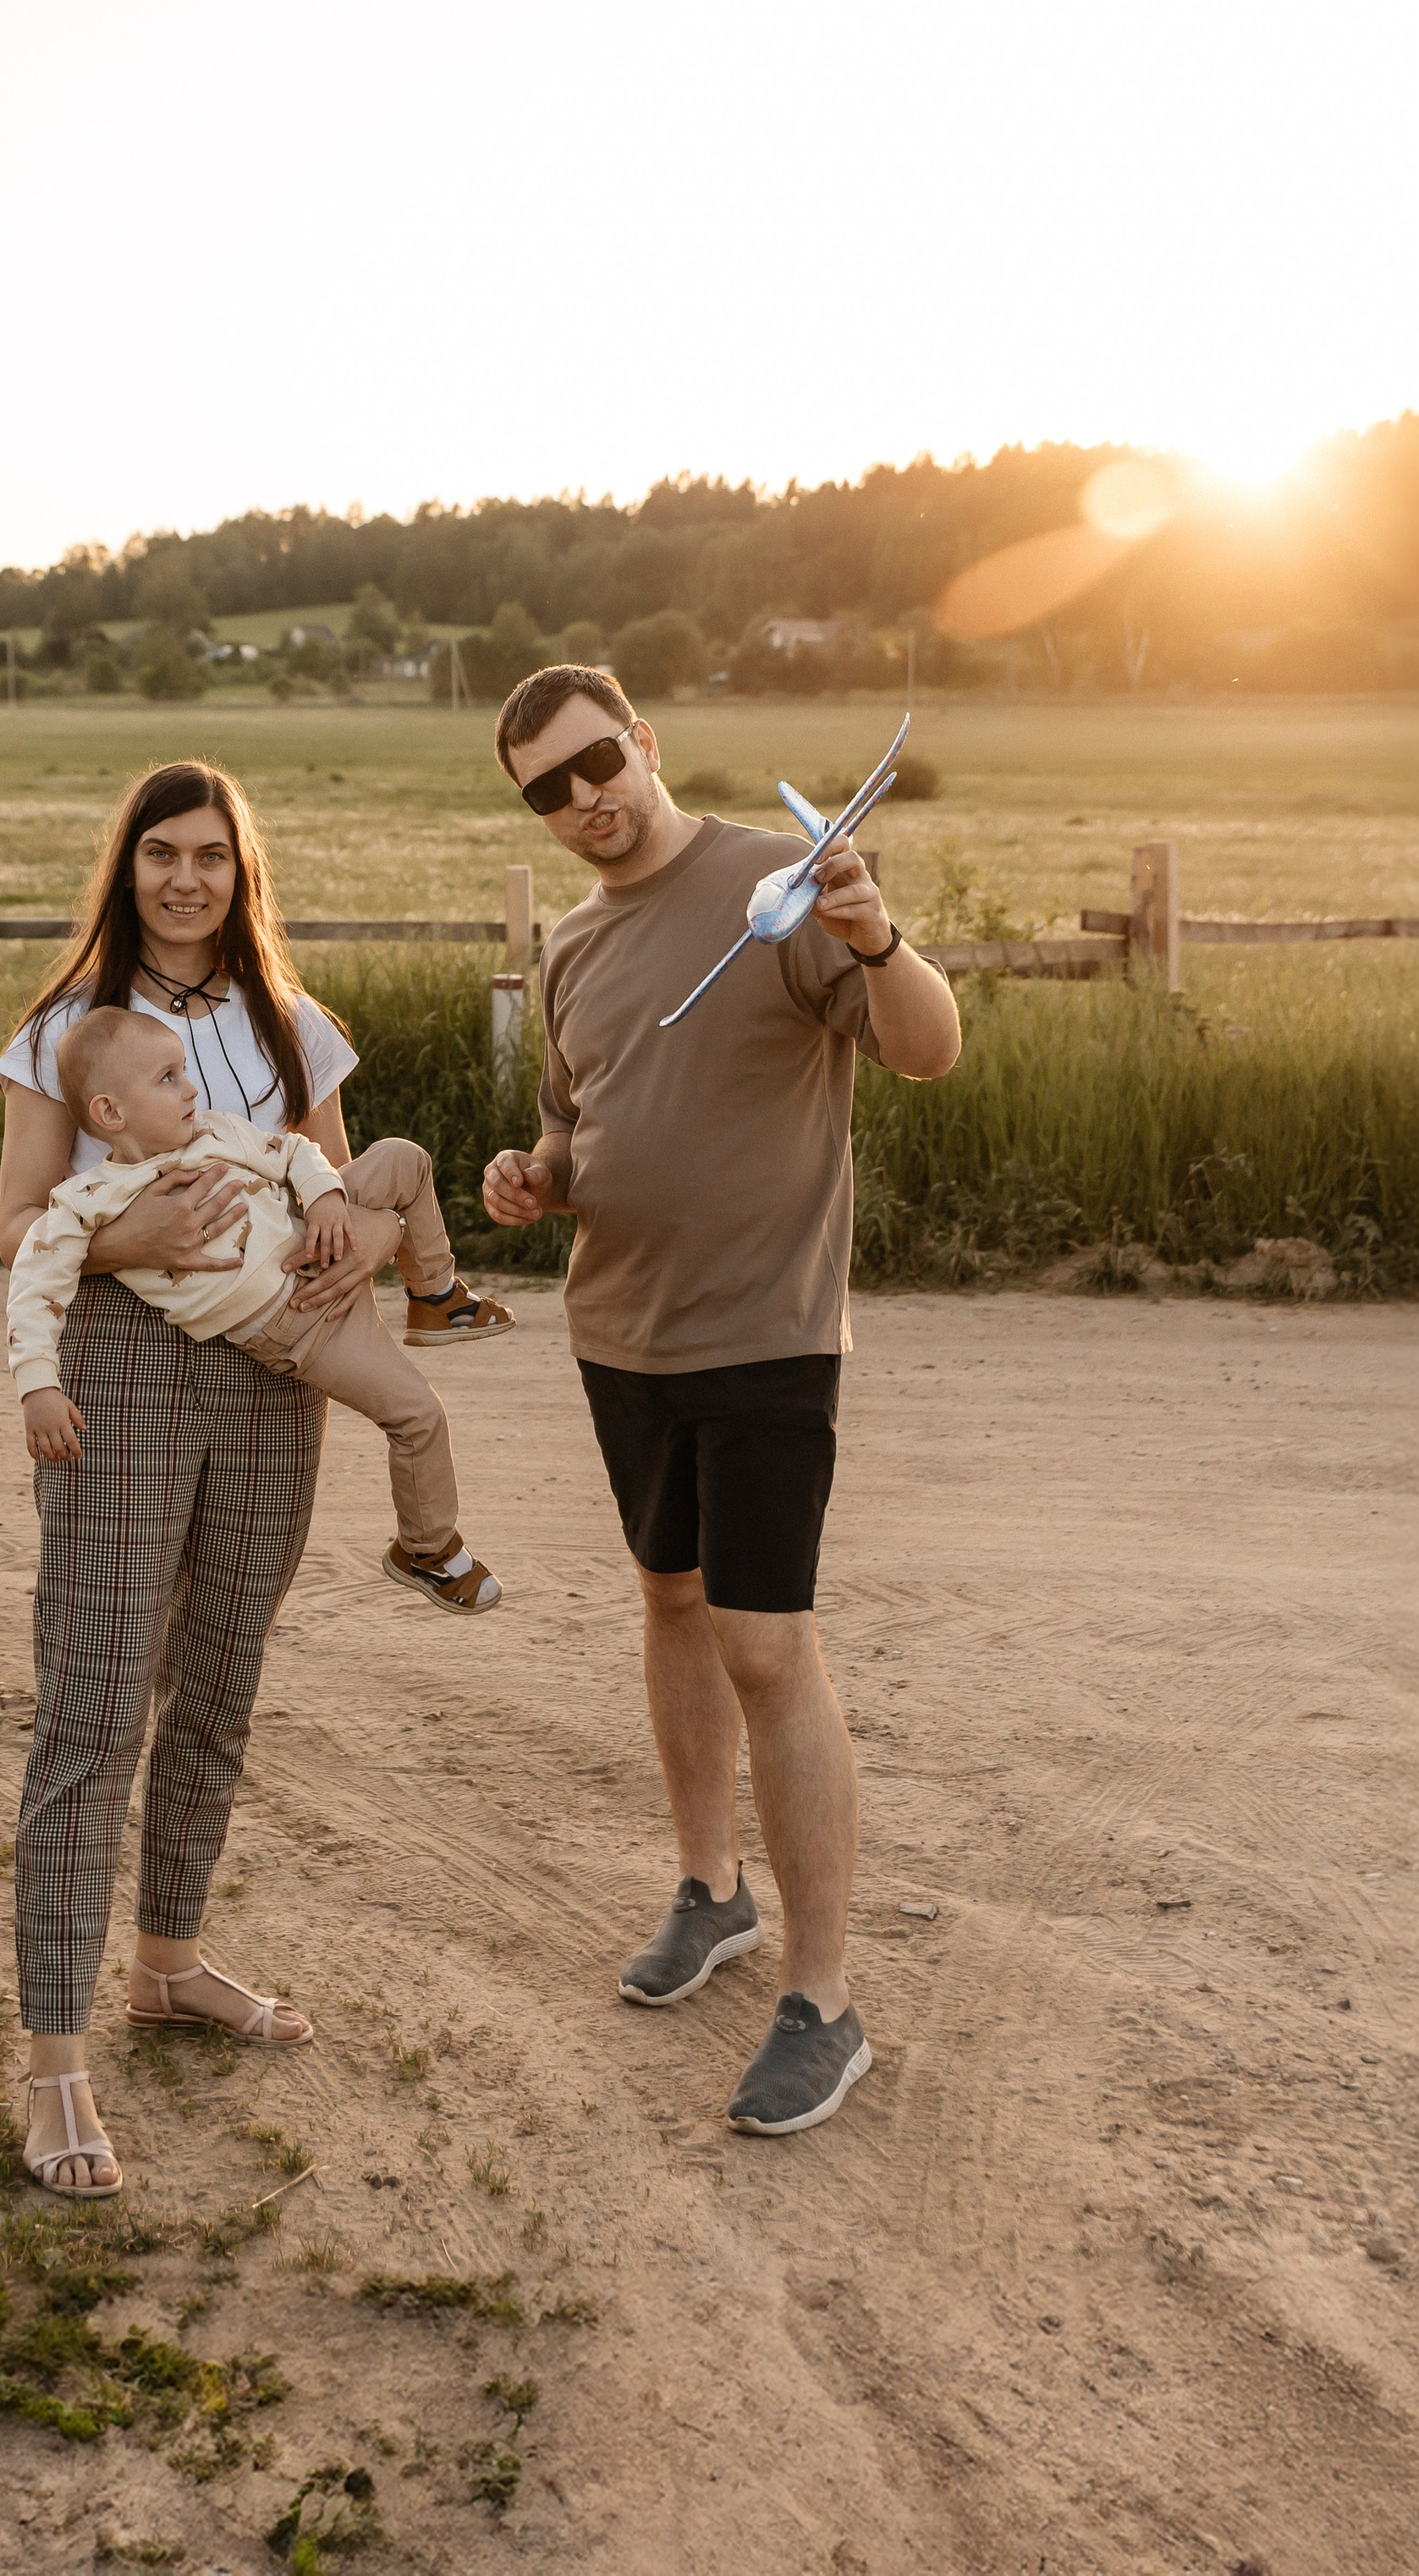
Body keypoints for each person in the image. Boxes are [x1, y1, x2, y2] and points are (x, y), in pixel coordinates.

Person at [0, 759, 508, 2196]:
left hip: (282, 1380)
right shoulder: (66, 1032)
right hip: (122, 1386)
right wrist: (130, 1236)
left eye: (211, 856)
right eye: (160, 854)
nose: (185, 880)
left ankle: (166, 1966)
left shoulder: (296, 1028)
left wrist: (346, 1226)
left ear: (240, 871)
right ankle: (54, 2064)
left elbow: (327, 1193)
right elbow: (21, 1225)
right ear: (128, 866)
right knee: (94, 1702)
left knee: (220, 1683)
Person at [480, 667, 962, 2137]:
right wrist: (534, 1176)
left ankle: (824, 2001)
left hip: (765, 1332)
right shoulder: (572, 946)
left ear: (647, 742)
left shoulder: (786, 881)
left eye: (596, 762)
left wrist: (877, 937)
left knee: (766, 1645)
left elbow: (928, 1045)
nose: (581, 801)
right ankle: (711, 1891)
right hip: (620, 1332)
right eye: (546, 789)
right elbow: (581, 1118)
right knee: (672, 1604)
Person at [7, 1004, 491, 1598]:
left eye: (183, 1071)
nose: (191, 1088)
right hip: (304, 1324)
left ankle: (436, 1294)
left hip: (320, 1234)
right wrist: (38, 1388)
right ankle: (427, 1549)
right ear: (110, 1111)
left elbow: (295, 1153)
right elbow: (35, 1289)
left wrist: (325, 1200)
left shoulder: (216, 1130)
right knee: (419, 1414)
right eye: (168, 1078)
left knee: (403, 1157)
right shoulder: (87, 1200)